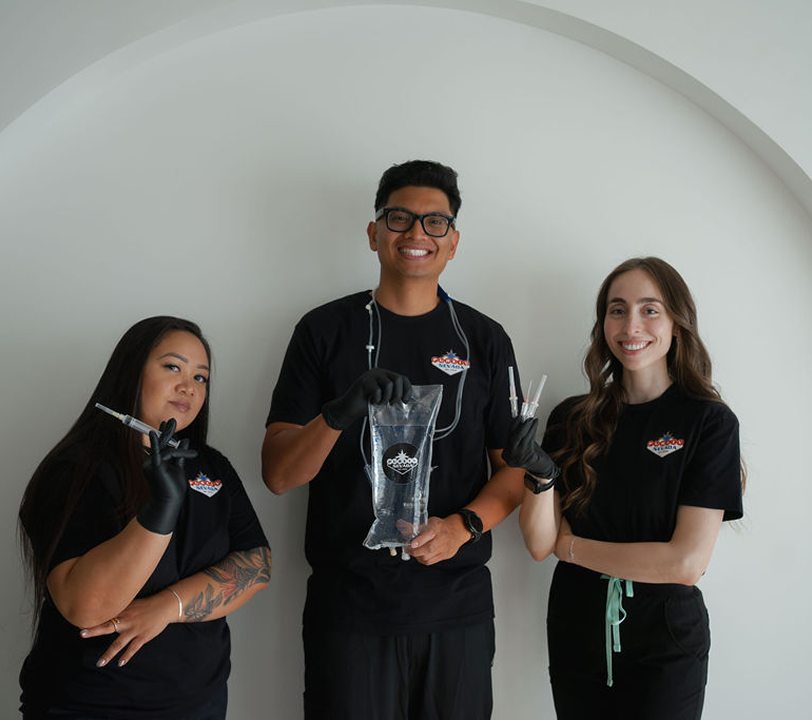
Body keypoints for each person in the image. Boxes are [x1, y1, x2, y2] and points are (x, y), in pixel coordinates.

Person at [262, 160, 546, 719]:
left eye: (435, 223)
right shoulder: (323, 331)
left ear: (453, 242)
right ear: (373, 232)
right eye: (400, 218)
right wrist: (339, 413)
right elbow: (278, 474)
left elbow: (515, 468)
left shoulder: (485, 339)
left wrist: (464, 527)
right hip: (349, 607)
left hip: (454, 606)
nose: (416, 233)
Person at [516, 257, 743, 719]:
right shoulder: (572, 418)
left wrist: (574, 547)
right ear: (603, 325)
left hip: (665, 642)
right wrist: (539, 474)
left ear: (677, 323)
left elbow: (685, 563)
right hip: (575, 630)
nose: (631, 325)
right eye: (617, 310)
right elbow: (541, 544)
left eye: (650, 309)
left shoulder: (708, 422)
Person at [18, 316, 272, 720]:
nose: (189, 385)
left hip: (199, 705)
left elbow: (257, 565)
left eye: (201, 377)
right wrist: (159, 512)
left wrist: (166, 607)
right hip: (90, 705)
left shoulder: (212, 466)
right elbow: (85, 606)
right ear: (131, 372)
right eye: (173, 366)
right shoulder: (75, 470)